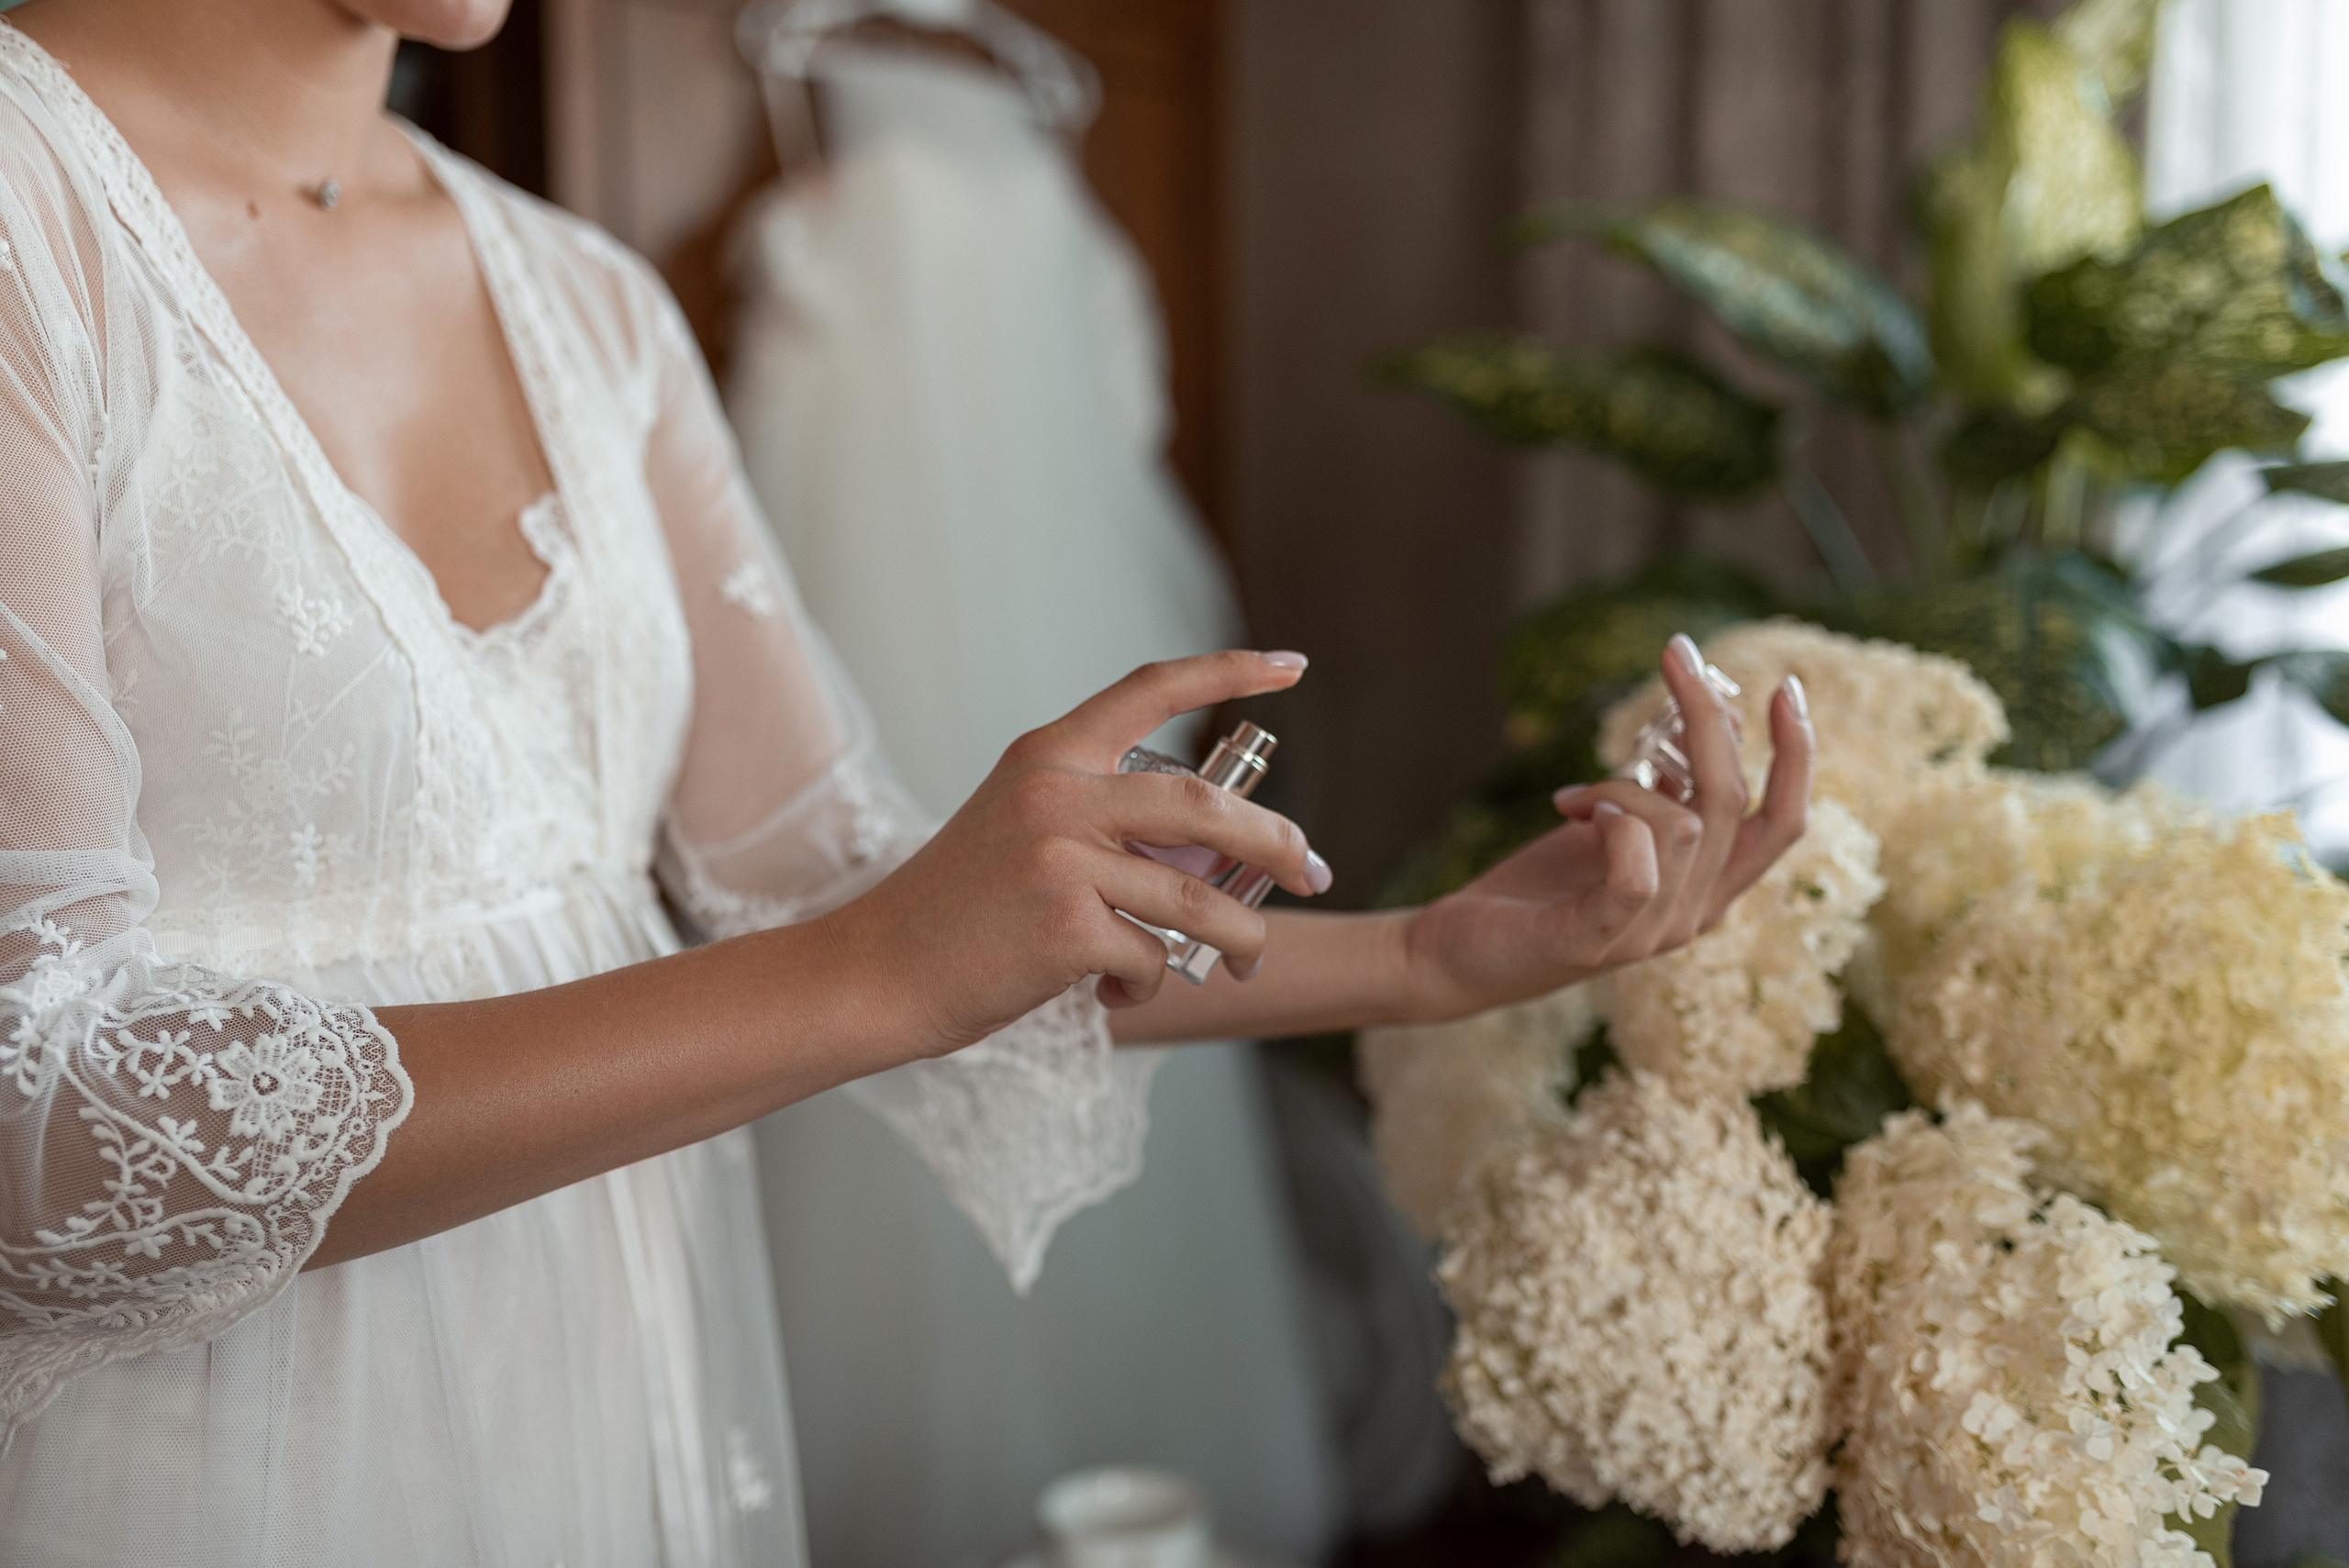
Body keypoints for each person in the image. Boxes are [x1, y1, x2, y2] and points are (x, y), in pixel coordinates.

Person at [0, 1, 1816, 1564]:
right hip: (207, 1471)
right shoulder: (28, 221)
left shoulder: (588, 308)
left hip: (623, 1427)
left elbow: (864, 904)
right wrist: (877, 970)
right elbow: (34, 1120)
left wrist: (1427, 964)